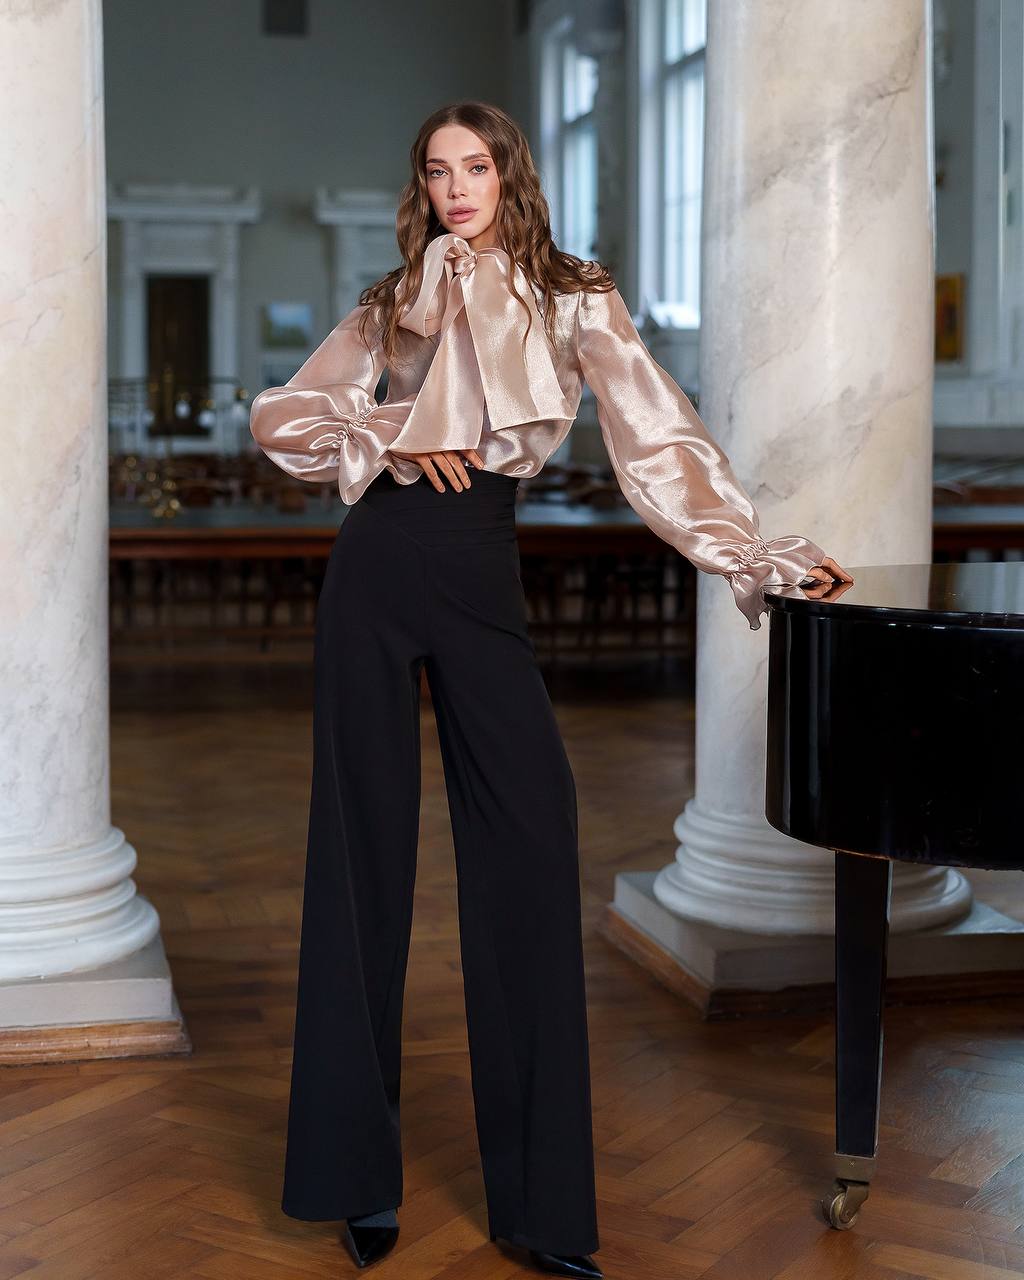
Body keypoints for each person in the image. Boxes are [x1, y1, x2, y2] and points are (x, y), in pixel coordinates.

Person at [250, 101, 851, 1278]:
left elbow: (657, 440)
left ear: (507, 173)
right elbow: (278, 416)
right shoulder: (390, 302)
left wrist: (753, 552)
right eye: (436, 170)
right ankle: (351, 1178)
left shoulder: (575, 295)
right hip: (371, 567)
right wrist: (377, 426)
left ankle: (537, 1202)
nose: (456, 187)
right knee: (358, 856)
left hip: (478, 570)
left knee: (530, 838)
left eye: (474, 166)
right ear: (421, 186)